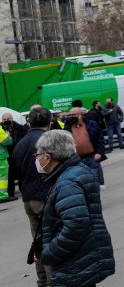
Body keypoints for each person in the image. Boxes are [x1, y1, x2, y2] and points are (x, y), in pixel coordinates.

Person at [33, 129, 116, 286]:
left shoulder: (67, 182)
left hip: (76, 259)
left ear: (48, 157)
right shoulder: (74, 172)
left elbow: (76, 225)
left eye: (38, 155)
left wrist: (49, 252)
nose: (37, 159)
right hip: (84, 254)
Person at [11, 106, 51, 287]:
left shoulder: (20, 143)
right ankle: (52, 281)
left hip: (28, 199)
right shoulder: (47, 141)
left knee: (38, 240)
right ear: (49, 122)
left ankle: (43, 279)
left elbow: (14, 172)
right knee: (50, 240)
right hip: (45, 197)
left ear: (29, 122)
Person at [64, 107, 105, 189]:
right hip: (77, 159)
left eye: (74, 115)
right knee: (83, 182)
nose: (71, 117)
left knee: (95, 181)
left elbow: (100, 139)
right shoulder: (67, 128)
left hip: (92, 157)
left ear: (81, 115)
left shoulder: (92, 124)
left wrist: (99, 153)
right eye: (70, 115)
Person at [3, 112, 28, 200]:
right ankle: (10, 194)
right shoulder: (1, 129)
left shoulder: (20, 128)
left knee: (21, 174)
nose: (7, 121)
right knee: (9, 177)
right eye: (4, 120)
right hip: (7, 156)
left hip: (18, 154)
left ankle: (24, 192)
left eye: (8, 119)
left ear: (12, 119)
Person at [0, 119, 11, 202]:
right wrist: (8, 135)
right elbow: (7, 141)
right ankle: (2, 196)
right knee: (2, 177)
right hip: (1, 158)